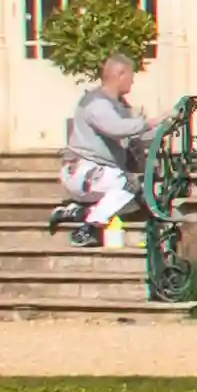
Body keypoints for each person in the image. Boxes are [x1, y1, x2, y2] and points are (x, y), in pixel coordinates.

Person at [58, 51, 154, 249]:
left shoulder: (117, 105)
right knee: (129, 185)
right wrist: (148, 122)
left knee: (138, 199)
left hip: (100, 176)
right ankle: (89, 228)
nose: (132, 83)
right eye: (131, 77)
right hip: (84, 172)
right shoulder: (96, 103)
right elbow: (116, 129)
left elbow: (133, 134)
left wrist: (162, 127)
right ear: (120, 75)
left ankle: (78, 211)